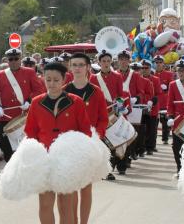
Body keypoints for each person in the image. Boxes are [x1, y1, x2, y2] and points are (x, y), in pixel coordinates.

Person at [24, 62, 92, 224]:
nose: (52, 84)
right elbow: (30, 132)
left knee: (65, 205)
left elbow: (85, 132)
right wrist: (34, 155)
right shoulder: (36, 102)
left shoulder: (76, 102)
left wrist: (76, 154)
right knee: (45, 204)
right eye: (48, 79)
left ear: (64, 80)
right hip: (44, 160)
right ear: (43, 79)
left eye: (56, 80)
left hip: (67, 161)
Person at [64, 53, 108, 223]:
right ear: (69, 67)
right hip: (69, 145)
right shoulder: (64, 91)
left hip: (89, 144)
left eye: (81, 65)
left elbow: (103, 118)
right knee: (72, 187)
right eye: (74, 65)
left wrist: (97, 137)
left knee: (86, 188)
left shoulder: (96, 92)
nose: (77, 68)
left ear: (88, 67)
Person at [0, 48, 45, 162]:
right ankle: (11, 168)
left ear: (20, 59)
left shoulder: (29, 72)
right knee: (5, 145)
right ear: (8, 61)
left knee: (26, 146)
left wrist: (29, 101)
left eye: (16, 59)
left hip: (25, 116)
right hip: (7, 116)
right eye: (11, 59)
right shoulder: (1, 75)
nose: (14, 61)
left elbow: (40, 90)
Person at [89, 50, 131, 174]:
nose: (106, 64)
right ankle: (108, 168)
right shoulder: (93, 78)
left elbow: (121, 94)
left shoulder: (117, 76)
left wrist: (120, 103)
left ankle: (121, 166)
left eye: (108, 61)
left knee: (119, 139)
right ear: (99, 63)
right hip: (101, 114)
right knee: (105, 141)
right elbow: (92, 97)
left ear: (111, 62)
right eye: (103, 61)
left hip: (115, 111)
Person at [139, 59, 160, 155]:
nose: (144, 70)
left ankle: (150, 147)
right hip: (141, 108)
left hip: (152, 107)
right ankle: (141, 148)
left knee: (151, 129)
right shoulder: (138, 79)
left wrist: (153, 101)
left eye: (146, 68)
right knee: (142, 129)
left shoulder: (155, 79)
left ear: (150, 68)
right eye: (142, 68)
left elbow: (158, 94)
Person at [153, 55, 174, 144]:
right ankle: (152, 141)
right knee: (154, 123)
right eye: (156, 62)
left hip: (164, 102)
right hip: (154, 102)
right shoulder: (151, 73)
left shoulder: (169, 74)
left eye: (160, 62)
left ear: (163, 64)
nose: (158, 64)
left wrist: (166, 88)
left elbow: (172, 87)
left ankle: (165, 139)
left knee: (165, 123)